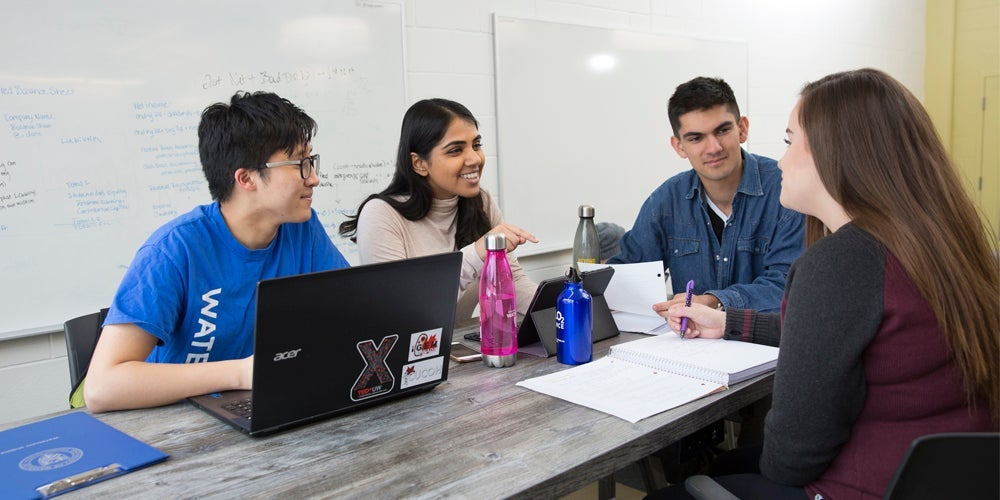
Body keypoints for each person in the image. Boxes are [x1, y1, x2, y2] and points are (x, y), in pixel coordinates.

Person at [650, 68, 999, 500]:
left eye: (789, 141)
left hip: (857, 485)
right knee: (729, 462)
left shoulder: (840, 264)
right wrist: (732, 323)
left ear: (836, 153)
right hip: (949, 476)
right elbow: (855, 334)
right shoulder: (937, 239)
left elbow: (790, 457)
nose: (779, 161)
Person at [85, 92, 350, 412]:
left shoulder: (301, 228)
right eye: (300, 164)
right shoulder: (173, 250)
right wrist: (239, 373)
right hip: (180, 423)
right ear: (246, 178)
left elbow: (352, 311)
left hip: (266, 407)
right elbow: (101, 387)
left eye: (311, 161)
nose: (314, 178)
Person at [609, 77, 804, 314]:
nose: (713, 148)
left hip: (766, 346)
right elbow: (630, 273)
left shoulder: (787, 191)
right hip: (689, 346)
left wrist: (716, 301)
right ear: (679, 146)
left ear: (742, 129)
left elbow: (789, 286)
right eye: (696, 138)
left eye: (722, 130)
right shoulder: (665, 201)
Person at [339, 98, 538, 322]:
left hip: (455, 347)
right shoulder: (381, 215)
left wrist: (563, 308)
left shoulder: (481, 202)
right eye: (455, 150)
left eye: (476, 145)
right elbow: (403, 310)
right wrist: (476, 254)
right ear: (419, 164)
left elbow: (512, 283)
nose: (474, 158)